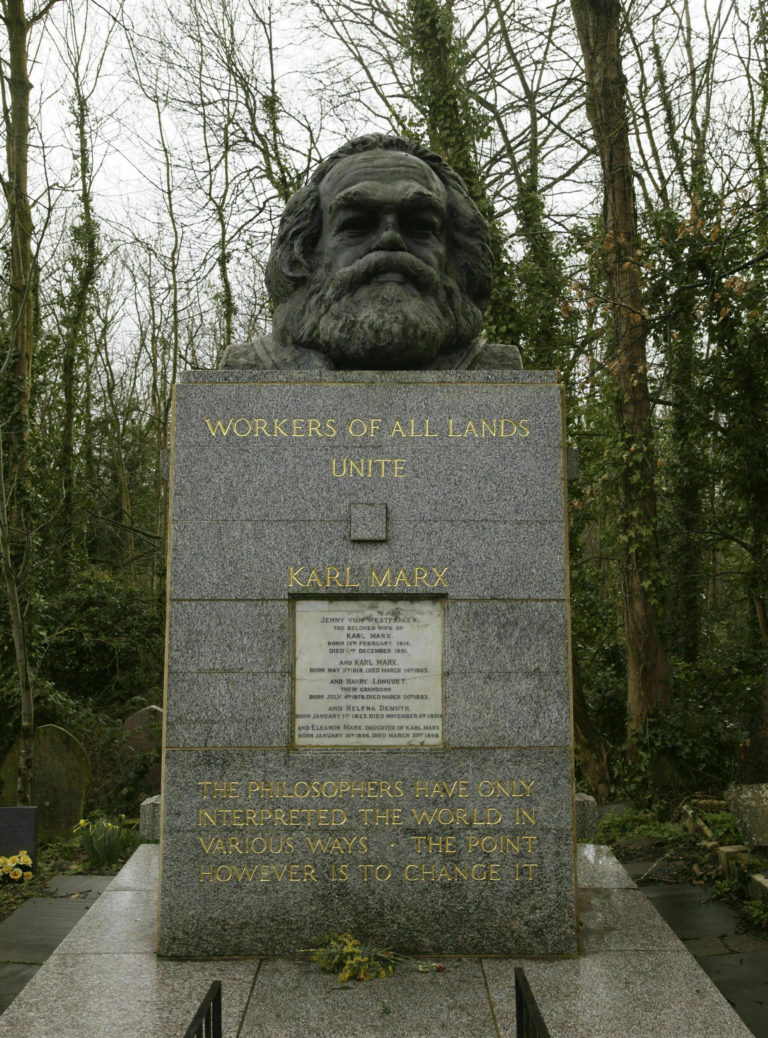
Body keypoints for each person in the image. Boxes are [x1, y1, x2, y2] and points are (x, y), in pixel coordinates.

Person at [221, 134, 522, 371]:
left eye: (420, 225)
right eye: (356, 224)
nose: (390, 239)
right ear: (305, 251)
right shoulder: (247, 369)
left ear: (455, 253)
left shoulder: (498, 373)